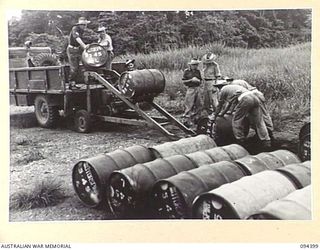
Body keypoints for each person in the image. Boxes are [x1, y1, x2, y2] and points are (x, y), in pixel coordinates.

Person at [214, 83, 271, 147]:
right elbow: (230, 104)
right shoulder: (234, 88)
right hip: (255, 98)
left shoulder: (223, 90)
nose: (218, 89)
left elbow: (220, 105)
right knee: (259, 121)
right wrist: (224, 113)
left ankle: (240, 140)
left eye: (218, 87)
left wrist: (215, 115)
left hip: (246, 99)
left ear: (220, 87)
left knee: (236, 120)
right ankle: (266, 141)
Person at [67, 17, 90, 89]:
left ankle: (87, 80)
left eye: (85, 25)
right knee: (74, 68)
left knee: (86, 63)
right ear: (80, 25)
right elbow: (77, 38)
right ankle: (71, 84)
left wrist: (86, 46)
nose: (85, 27)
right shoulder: (75, 29)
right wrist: (84, 46)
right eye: (83, 25)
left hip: (78, 49)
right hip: (72, 50)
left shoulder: (82, 31)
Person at [182, 58, 203, 127]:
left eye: (196, 65)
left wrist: (198, 81)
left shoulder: (197, 71)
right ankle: (186, 120)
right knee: (189, 104)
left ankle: (196, 119)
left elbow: (200, 80)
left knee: (199, 104)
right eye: (194, 65)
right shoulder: (187, 71)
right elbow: (184, 81)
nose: (195, 66)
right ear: (190, 65)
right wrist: (191, 80)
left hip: (197, 88)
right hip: (190, 89)